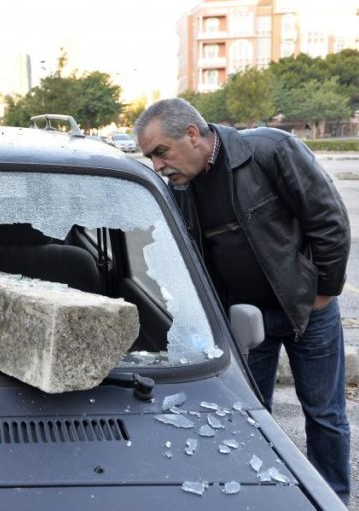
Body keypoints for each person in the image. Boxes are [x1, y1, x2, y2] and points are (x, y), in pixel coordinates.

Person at [134, 98, 351, 504]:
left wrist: (324, 293)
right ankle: (262, 496)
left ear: (193, 135)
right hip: (245, 322)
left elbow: (329, 221)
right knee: (252, 415)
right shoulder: (180, 189)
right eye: (150, 158)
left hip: (308, 310)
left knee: (324, 414)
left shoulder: (270, 151)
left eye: (161, 152)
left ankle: (333, 498)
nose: (158, 166)